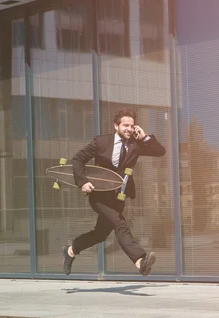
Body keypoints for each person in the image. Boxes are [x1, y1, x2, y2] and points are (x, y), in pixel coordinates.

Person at [62, 108, 166, 276]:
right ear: (116, 125)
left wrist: (145, 137)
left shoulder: (136, 144)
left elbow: (160, 152)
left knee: (101, 234)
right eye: (126, 125)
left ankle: (71, 251)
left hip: (118, 196)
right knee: (119, 224)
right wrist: (83, 182)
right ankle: (141, 261)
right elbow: (78, 159)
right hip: (99, 195)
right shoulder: (101, 142)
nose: (129, 129)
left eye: (132, 126)